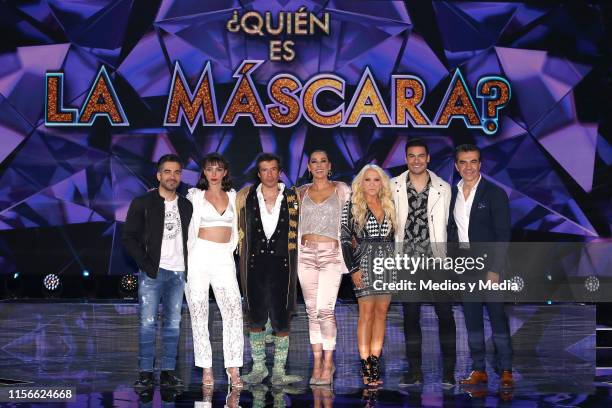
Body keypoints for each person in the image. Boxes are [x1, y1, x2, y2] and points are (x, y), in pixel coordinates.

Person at [122, 154, 193, 389]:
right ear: (159, 175)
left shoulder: (186, 205)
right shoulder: (143, 202)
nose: (172, 176)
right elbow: (129, 237)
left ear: (180, 176)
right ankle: (145, 373)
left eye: (176, 172)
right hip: (153, 273)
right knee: (147, 323)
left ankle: (168, 372)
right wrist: (145, 264)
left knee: (173, 324)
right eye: (167, 172)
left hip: (178, 274)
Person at [447, 144, 514, 389]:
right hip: (465, 265)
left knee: (497, 318)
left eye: (473, 161)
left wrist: (494, 268)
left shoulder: (494, 193)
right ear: (456, 166)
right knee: (472, 320)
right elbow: (452, 230)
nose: (468, 167)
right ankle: (479, 370)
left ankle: (506, 369)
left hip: (490, 265)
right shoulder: (451, 193)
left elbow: (503, 234)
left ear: (480, 164)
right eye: (463, 162)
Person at [390, 139, 456, 386]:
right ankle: (414, 371)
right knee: (410, 316)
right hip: (407, 262)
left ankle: (449, 371)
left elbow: (449, 224)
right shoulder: (393, 185)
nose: (416, 160)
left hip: (436, 262)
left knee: (445, 314)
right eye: (411, 156)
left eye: (420, 156)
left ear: (428, 158)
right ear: (406, 159)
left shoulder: (444, 187)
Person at [236, 153, 302, 385]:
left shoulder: (294, 197)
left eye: (273, 169)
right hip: (254, 264)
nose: (270, 174)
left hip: (282, 264)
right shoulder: (246, 197)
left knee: (281, 319)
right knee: (255, 318)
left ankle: (279, 372)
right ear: (258, 173)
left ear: (280, 171)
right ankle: (259, 368)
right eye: (265, 170)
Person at [185, 153, 243, 387]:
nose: (215, 173)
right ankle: (206, 369)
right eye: (210, 169)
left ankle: (233, 369)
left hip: (224, 258)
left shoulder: (234, 196)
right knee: (199, 313)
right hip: (199, 255)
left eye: (219, 169)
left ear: (225, 172)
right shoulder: (194, 196)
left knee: (233, 312)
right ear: (204, 172)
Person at [296, 150, 351, 385]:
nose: (319, 165)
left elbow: (350, 223)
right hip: (305, 255)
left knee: (325, 310)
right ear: (308, 166)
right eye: (314, 161)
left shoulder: (342, 190)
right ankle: (317, 362)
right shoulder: (300, 192)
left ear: (330, 165)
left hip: (331, 255)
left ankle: (329, 361)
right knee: (311, 311)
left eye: (323, 161)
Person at [340, 164, 396, 386]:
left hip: (387, 262)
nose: (372, 184)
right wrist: (353, 269)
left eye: (376, 180)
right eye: (367, 180)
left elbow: (393, 239)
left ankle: (375, 363)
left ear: (382, 182)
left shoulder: (388, 205)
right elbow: (345, 241)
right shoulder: (351, 206)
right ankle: (365, 366)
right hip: (363, 261)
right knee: (366, 314)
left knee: (381, 313)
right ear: (360, 183)